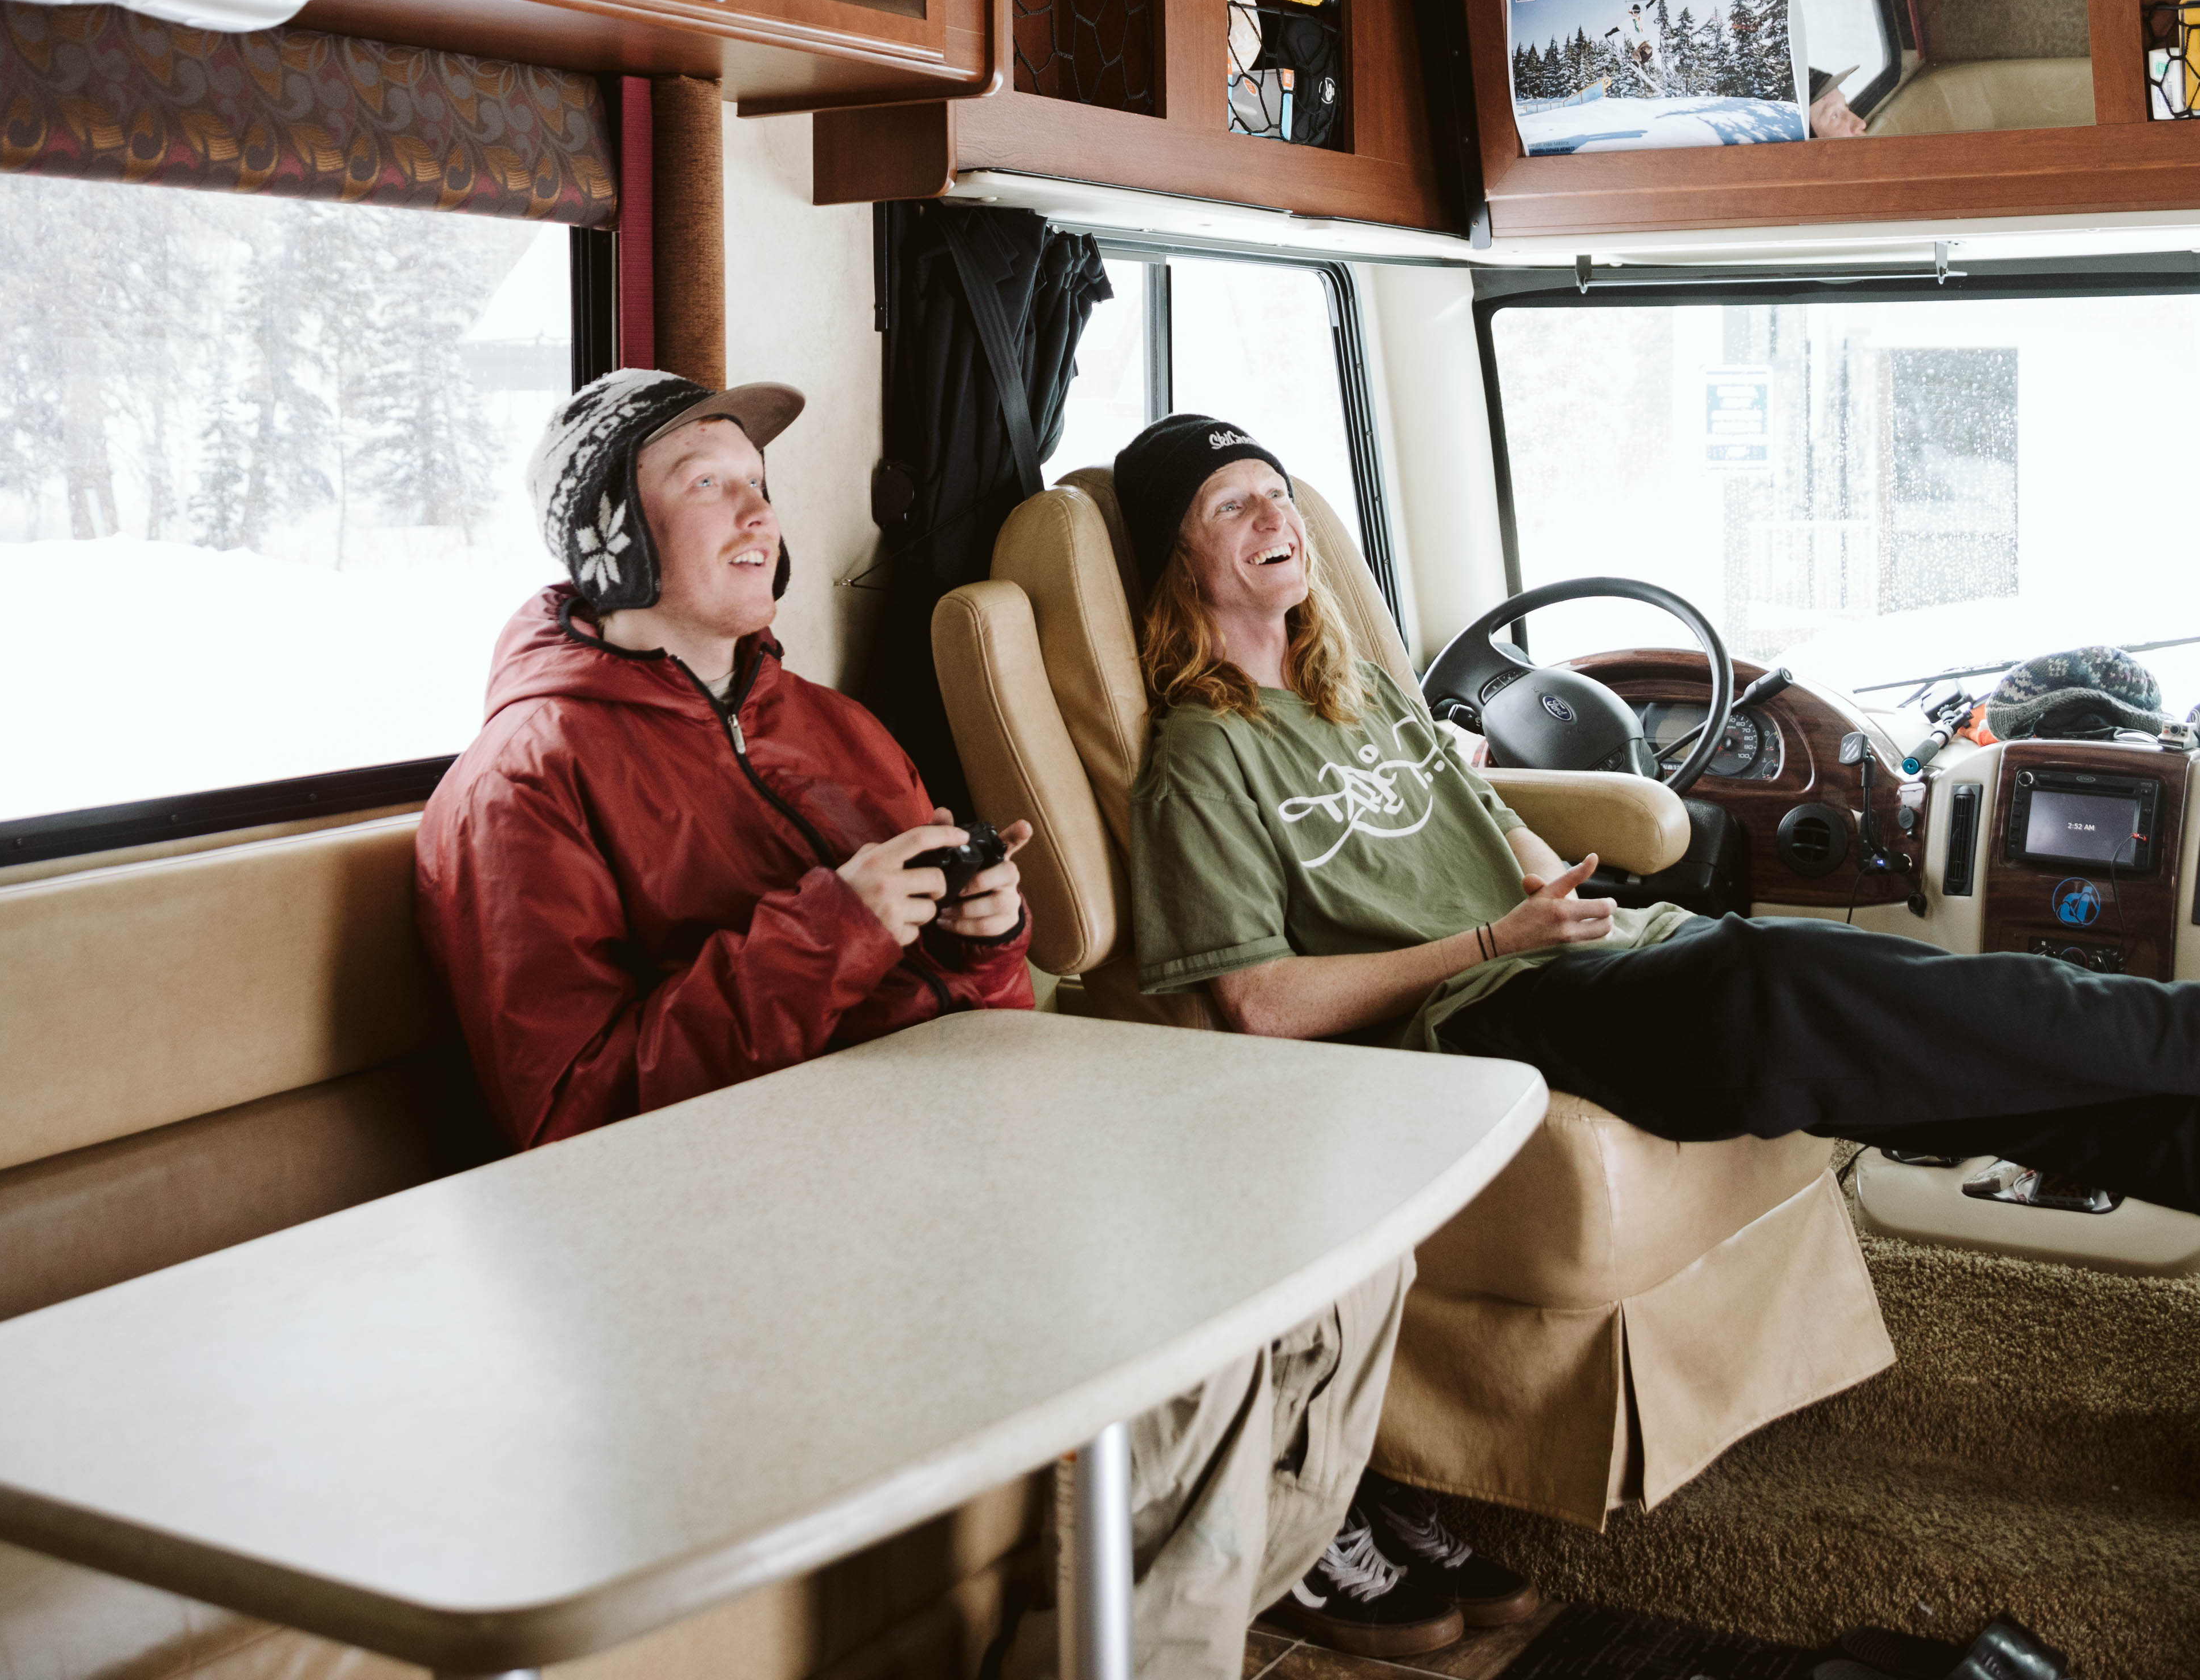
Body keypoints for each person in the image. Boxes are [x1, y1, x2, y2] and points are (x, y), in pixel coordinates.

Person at [414, 370, 1456, 1678]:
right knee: (1190, 1306)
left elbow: (991, 1007)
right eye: (709, 484)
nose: (757, 515)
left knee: (1351, 1230)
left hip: (952, 1145)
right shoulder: (524, 783)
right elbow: (571, 1127)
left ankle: (1237, 1586)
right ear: (606, 535)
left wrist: (983, 934)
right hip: (748, 1223)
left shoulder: (835, 728)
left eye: (762, 486)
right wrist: (829, 925)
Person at [1111, 412, 2200, 1225]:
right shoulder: (1198, 759)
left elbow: (1477, 816)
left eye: (1277, 489)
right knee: (1780, 976)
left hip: (1571, 953)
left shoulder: (1359, 683)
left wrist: (1557, 879)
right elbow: (1260, 1006)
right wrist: (1496, 932)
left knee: (1941, 1026)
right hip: (1463, 1028)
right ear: (1181, 556)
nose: (1271, 514)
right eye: (1230, 505)